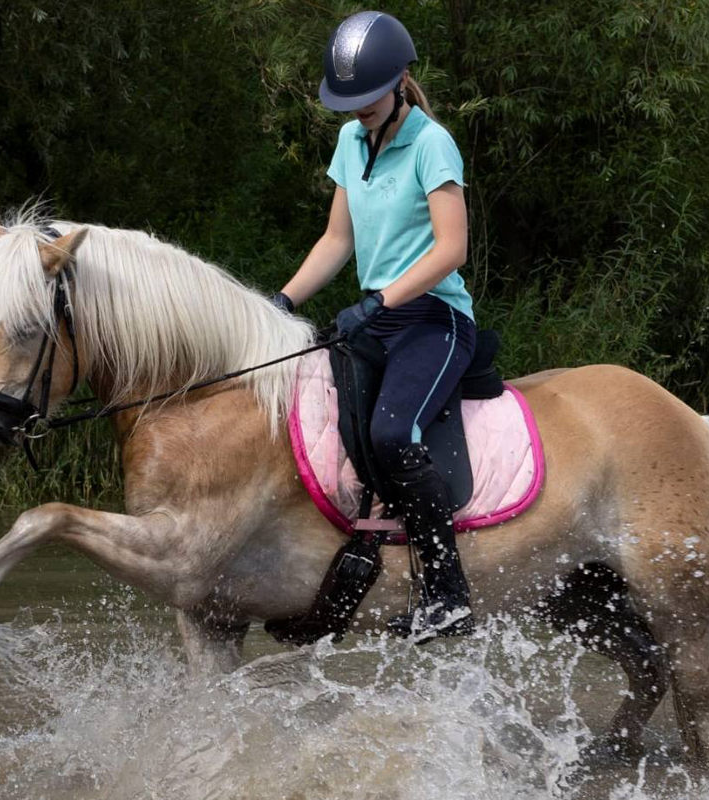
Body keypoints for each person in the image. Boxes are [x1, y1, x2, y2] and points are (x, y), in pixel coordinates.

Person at [273, 10, 477, 641]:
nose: (357, 110)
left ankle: (448, 595)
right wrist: (280, 300)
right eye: (349, 100)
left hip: (432, 317)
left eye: (367, 97)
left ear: (401, 80)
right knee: (320, 430)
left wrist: (381, 300)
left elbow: (452, 249)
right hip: (377, 317)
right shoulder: (349, 143)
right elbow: (337, 239)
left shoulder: (431, 142)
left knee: (392, 433)